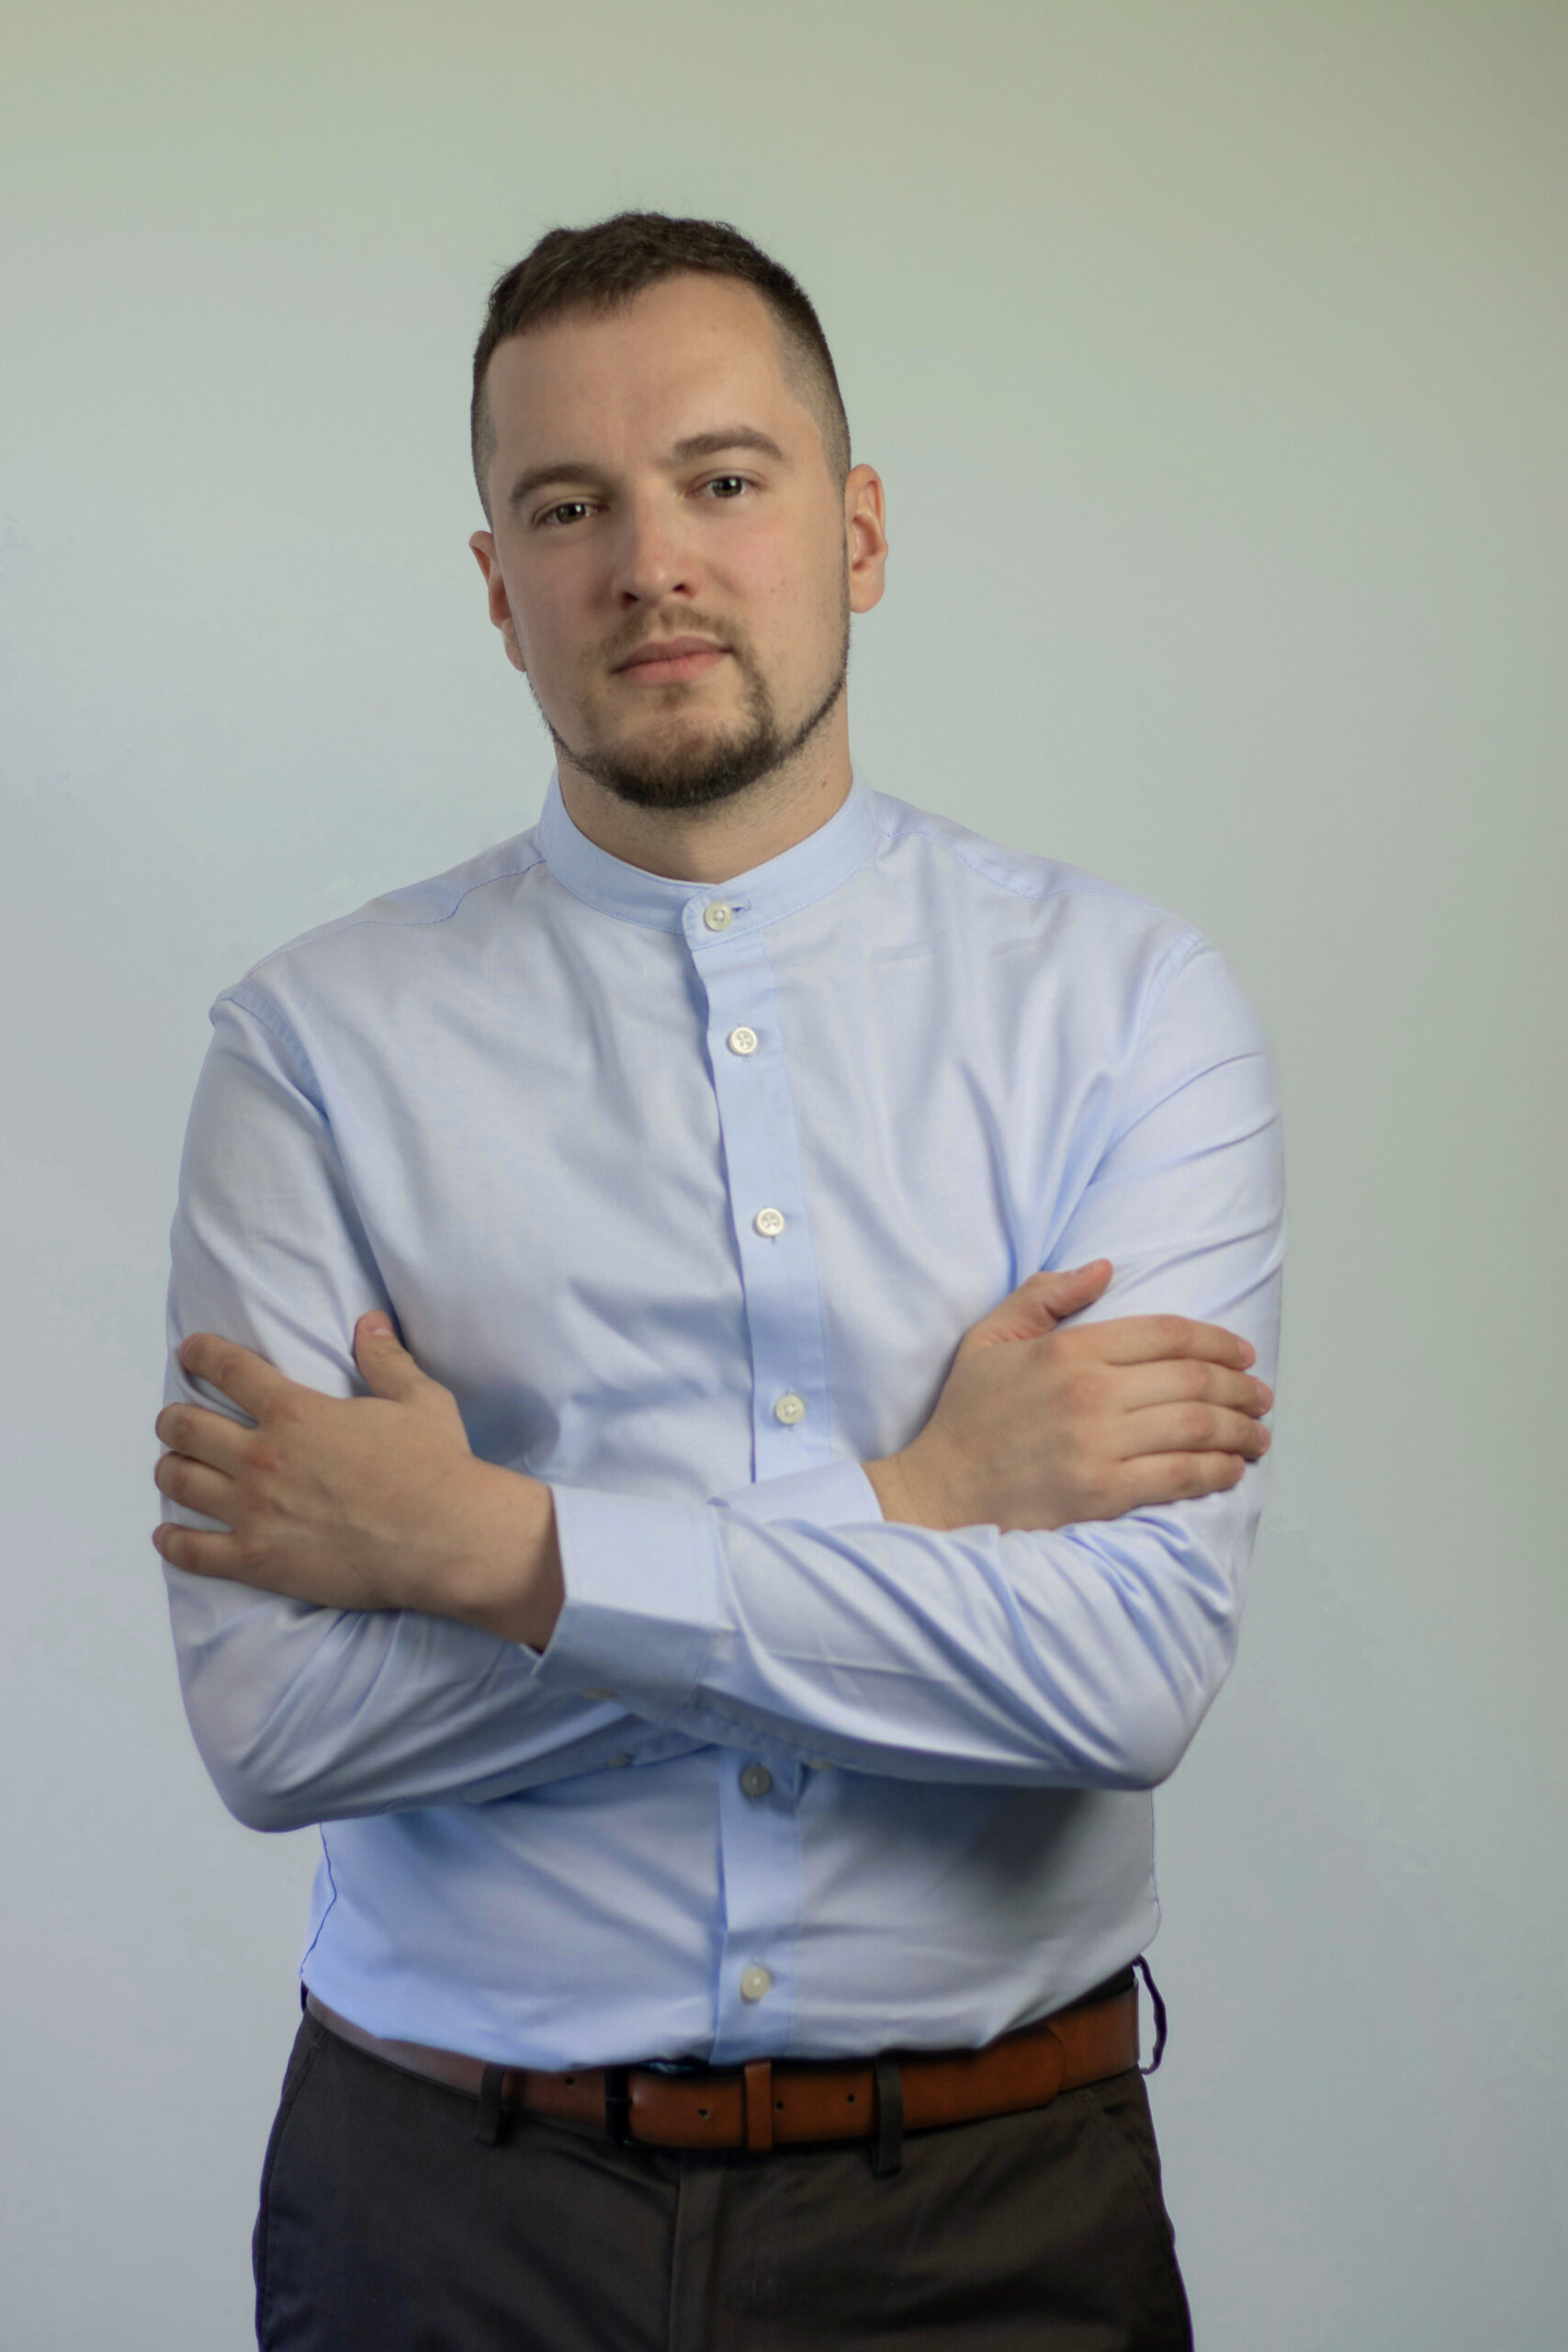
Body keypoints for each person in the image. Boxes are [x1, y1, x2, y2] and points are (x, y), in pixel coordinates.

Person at [153, 211, 1283, 2352]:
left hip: (994, 2219)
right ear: (497, 584)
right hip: (443, 2215)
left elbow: (1123, 1678)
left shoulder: (1127, 1012)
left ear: (856, 530)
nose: (648, 562)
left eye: (721, 478)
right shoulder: (309, 1051)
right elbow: (278, 1722)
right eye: (567, 505)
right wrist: (917, 1503)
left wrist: (493, 1550)